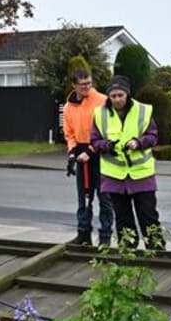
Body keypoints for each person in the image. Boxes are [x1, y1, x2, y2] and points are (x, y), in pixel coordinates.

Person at [90, 75, 164, 250]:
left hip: (141, 173)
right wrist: (108, 145)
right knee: (123, 218)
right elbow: (94, 141)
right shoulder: (100, 114)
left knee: (148, 215)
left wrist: (138, 143)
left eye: (120, 95)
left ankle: (156, 249)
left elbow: (153, 137)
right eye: (113, 96)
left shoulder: (143, 111)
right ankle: (128, 248)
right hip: (114, 175)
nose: (117, 99)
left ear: (127, 95)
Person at [62, 67, 114, 246]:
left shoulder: (102, 101)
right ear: (74, 85)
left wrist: (90, 151)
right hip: (80, 152)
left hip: (100, 152)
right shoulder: (69, 107)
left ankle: (105, 237)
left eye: (89, 83)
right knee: (84, 197)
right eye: (83, 85)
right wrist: (72, 153)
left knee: (104, 197)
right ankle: (83, 234)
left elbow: (108, 130)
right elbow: (69, 133)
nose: (86, 87)